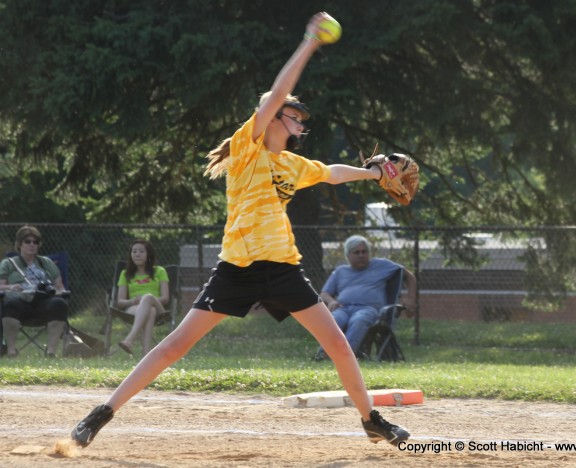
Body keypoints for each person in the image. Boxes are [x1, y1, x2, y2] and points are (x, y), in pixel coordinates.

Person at [70, 12, 410, 448]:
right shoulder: (248, 149)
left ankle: (370, 420)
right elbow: (277, 94)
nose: (300, 122)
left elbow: (329, 173)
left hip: (283, 268)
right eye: (292, 115)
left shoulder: (293, 164)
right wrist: (309, 41)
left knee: (339, 346)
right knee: (175, 347)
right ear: (270, 118)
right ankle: (101, 413)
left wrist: (373, 174)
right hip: (238, 268)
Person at [319, 235, 416, 356]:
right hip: (343, 308)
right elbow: (324, 294)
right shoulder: (340, 271)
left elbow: (409, 276)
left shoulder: (382, 266)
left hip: (368, 309)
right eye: (357, 252)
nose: (361, 255)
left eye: (364, 252)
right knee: (334, 319)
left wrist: (410, 299)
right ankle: (324, 354)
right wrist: (331, 301)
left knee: (358, 320)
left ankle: (345, 356)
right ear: (348, 256)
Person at [0, 225, 69, 358]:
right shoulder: (9, 263)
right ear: (19, 244)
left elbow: (60, 287)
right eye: (27, 241)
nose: (32, 245)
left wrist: (58, 292)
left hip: (44, 302)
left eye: (35, 242)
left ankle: (51, 352)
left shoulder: (46, 263)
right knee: (10, 304)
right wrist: (11, 287)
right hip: (20, 302)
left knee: (59, 304)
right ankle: (11, 351)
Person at [115, 239, 170, 357]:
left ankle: (130, 339)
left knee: (148, 298)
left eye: (141, 251)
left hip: (159, 310)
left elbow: (165, 298)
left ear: (148, 254)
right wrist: (133, 301)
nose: (137, 254)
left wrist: (147, 299)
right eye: (134, 251)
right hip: (134, 308)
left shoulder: (160, 271)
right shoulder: (125, 274)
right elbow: (120, 302)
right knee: (150, 311)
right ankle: (146, 355)